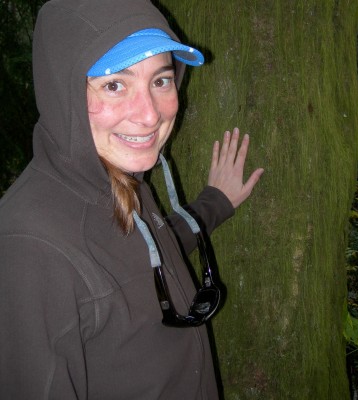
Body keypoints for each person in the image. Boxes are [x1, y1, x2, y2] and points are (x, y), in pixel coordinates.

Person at [0, 0, 264, 399]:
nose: (150, 115)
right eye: (114, 85)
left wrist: (213, 204)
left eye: (160, 80)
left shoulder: (117, 177)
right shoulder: (28, 249)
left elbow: (136, 252)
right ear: (62, 93)